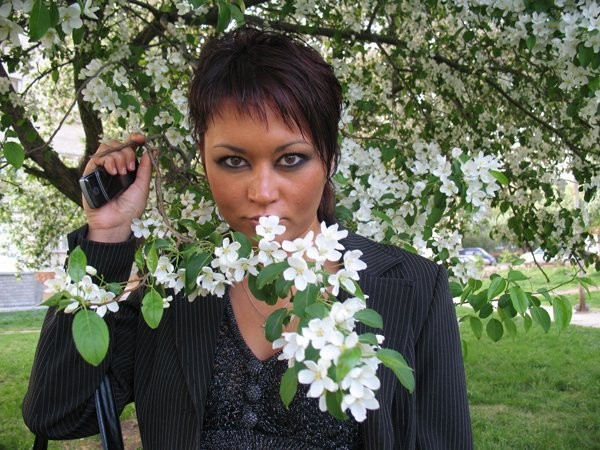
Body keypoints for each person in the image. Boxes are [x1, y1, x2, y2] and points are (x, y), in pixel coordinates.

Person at [23, 27, 473, 449]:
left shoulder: (415, 289)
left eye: (291, 159)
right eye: (233, 161)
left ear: (330, 158)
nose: (261, 192)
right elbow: (57, 415)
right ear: (203, 160)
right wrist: (107, 234)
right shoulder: (172, 288)